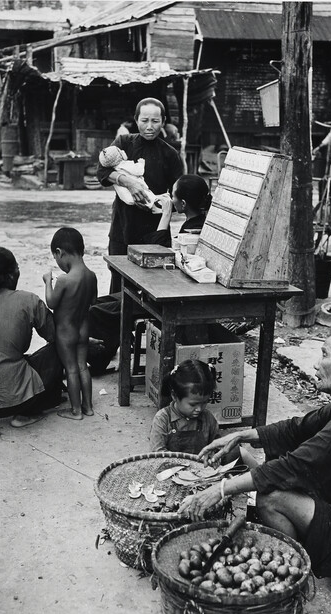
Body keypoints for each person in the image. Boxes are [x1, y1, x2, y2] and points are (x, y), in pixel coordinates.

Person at [178, 328, 331, 604]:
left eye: (325, 355)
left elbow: (294, 466)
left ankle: (293, 577)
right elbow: (297, 429)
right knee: (273, 472)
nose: (316, 364)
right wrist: (241, 435)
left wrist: (220, 489)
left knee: (270, 496)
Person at [87, 175, 212, 374]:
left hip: (168, 298)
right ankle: (100, 357)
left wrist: (165, 215)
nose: (170, 197)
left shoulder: (192, 231)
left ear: (183, 203)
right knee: (100, 303)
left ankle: (97, 360)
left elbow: (159, 254)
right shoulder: (193, 222)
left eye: (173, 194)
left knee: (99, 312)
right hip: (166, 291)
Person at [0, 247, 63, 428]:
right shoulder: (29, 301)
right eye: (17, 268)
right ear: (11, 275)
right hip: (17, 401)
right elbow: (56, 337)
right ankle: (24, 415)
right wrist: (82, 343)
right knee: (59, 348)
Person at [97, 97, 183, 293]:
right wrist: (129, 182)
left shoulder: (170, 154)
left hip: (154, 232)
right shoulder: (123, 143)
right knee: (118, 286)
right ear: (136, 120)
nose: (150, 126)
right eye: (144, 121)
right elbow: (101, 173)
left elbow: (178, 193)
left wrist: (162, 204)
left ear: (163, 121)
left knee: (154, 286)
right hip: (123, 228)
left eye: (155, 121)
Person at [43, 228, 97, 420]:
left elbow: (51, 302)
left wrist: (48, 282)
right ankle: (88, 407)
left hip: (66, 332)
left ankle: (75, 411)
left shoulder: (64, 279)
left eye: (56, 258)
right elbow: (93, 300)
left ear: (60, 252)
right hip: (83, 328)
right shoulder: (91, 276)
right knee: (83, 365)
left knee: (71, 368)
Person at [149, 359, 220, 454]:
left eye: (204, 402)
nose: (199, 409)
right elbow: (158, 453)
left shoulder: (208, 418)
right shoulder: (163, 420)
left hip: (202, 467)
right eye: (193, 404)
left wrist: (214, 454)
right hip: (170, 467)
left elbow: (218, 445)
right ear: (174, 396)